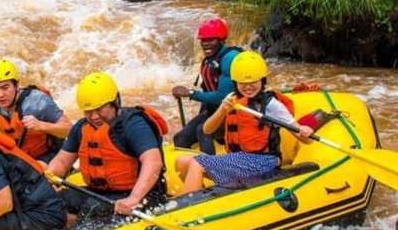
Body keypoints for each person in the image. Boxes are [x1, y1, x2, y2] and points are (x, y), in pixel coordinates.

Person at [174, 51, 314, 193]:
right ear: (235, 83)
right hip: (238, 159)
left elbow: (304, 139)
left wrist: (305, 131)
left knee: (197, 164)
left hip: (262, 162)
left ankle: (190, 209)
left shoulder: (271, 105)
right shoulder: (233, 98)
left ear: (262, 81)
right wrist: (222, 109)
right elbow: (207, 130)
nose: (248, 87)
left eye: (253, 82)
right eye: (242, 83)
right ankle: (202, 200)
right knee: (182, 162)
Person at [47, 72, 167, 219]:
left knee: (91, 209)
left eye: (100, 109)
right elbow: (62, 161)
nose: (94, 116)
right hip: (101, 193)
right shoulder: (81, 128)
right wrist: (49, 178)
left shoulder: (133, 125)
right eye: (89, 111)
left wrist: (133, 198)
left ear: (115, 101)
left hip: (141, 195)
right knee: (53, 202)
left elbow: (153, 162)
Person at [172, 18, 241, 154]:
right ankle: (187, 170)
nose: (206, 44)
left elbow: (223, 96)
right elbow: (207, 90)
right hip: (214, 110)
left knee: (202, 131)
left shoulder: (230, 58)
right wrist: (201, 116)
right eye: (203, 40)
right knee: (180, 138)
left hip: (234, 111)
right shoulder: (209, 60)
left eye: (211, 40)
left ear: (221, 40)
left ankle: (210, 170)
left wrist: (191, 94)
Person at [0, 59, 72, 164]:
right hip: (23, 159)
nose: (0, 95)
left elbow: (69, 129)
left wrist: (40, 125)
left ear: (16, 85)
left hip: (52, 154)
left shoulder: (37, 101)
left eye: (5, 87)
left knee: (37, 168)